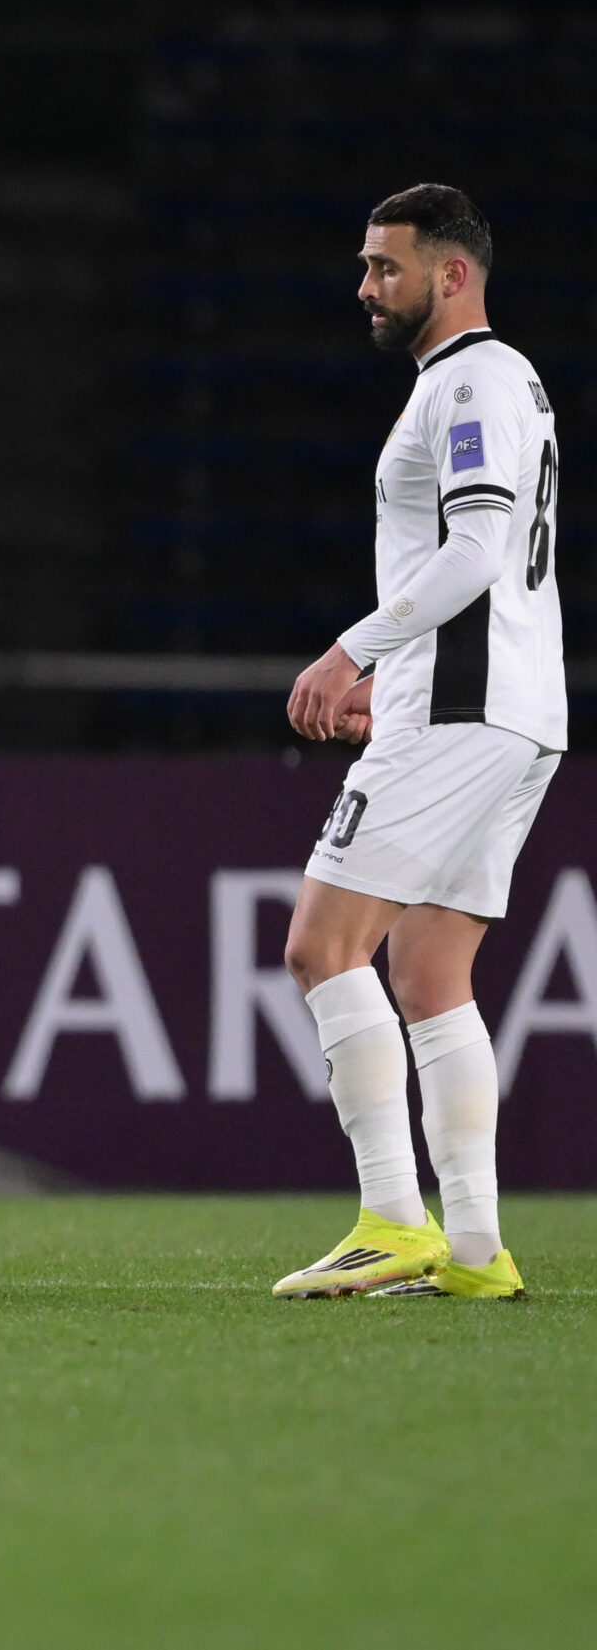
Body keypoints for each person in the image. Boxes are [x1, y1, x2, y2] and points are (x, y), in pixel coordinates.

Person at [276, 185, 563, 1302]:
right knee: (431, 972)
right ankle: (478, 1251)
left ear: (452, 273)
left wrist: (351, 651)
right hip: (509, 710)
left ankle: (392, 1218)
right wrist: (387, 681)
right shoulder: (501, 380)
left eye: (385, 266)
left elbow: (479, 547)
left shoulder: (472, 379)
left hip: (463, 707)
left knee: (321, 945)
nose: (365, 286)